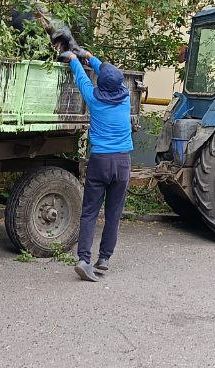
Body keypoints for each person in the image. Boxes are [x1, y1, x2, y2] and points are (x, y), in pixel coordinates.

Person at [61, 47, 133, 282]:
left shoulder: (93, 98)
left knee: (90, 211)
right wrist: (92, 57)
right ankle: (104, 259)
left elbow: (82, 76)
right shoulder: (125, 96)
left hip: (100, 161)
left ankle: (84, 259)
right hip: (122, 162)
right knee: (113, 213)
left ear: (100, 83)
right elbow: (106, 73)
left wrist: (74, 59)